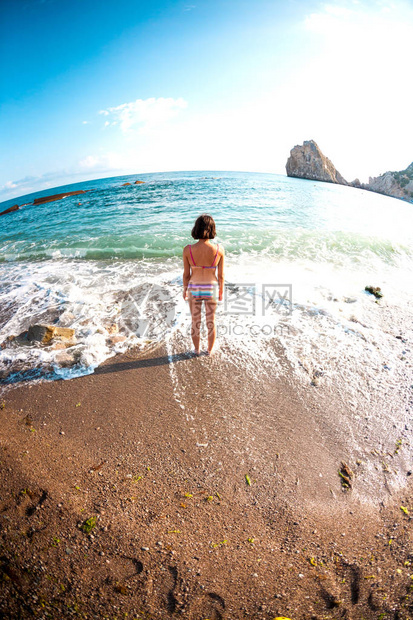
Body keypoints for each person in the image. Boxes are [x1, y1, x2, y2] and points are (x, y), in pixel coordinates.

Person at [183, 214, 224, 355]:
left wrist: (184, 289)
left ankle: (196, 350)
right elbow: (221, 276)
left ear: (196, 229)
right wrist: (221, 292)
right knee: (211, 321)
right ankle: (210, 351)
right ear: (212, 229)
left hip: (194, 288)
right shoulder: (219, 250)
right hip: (211, 288)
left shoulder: (188, 249)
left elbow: (186, 274)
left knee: (195, 321)